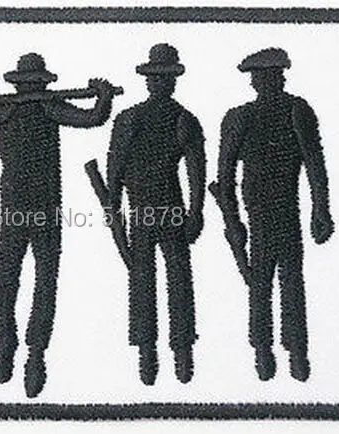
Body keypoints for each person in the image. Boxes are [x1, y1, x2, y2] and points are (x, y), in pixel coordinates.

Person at [0, 52, 115, 398]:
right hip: (19, 206)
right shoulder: (11, 109)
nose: (29, 90)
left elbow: (94, 118)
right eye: (28, 85)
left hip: (41, 206)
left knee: (38, 278)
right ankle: (7, 339)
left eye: (32, 85)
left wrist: (103, 97)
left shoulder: (45, 107)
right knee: (10, 277)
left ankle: (35, 352)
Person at [216, 47, 334, 382]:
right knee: (263, 283)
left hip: (284, 208)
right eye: (261, 77)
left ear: (279, 78)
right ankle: (265, 352)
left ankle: (295, 353)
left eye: (269, 76)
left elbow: (314, 162)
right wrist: (232, 218)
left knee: (286, 281)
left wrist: (321, 208)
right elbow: (225, 174)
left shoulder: (296, 111)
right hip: (258, 211)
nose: (265, 82)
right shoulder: (240, 117)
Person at [106, 43, 205, 385]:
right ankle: (149, 351)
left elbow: (195, 170)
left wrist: (196, 211)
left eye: (165, 78)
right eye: (156, 78)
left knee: (175, 279)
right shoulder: (130, 119)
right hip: (145, 210)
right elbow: (115, 171)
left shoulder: (182, 119)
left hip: (165, 210)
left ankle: (181, 350)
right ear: (149, 81)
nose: (160, 83)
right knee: (145, 281)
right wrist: (115, 211)